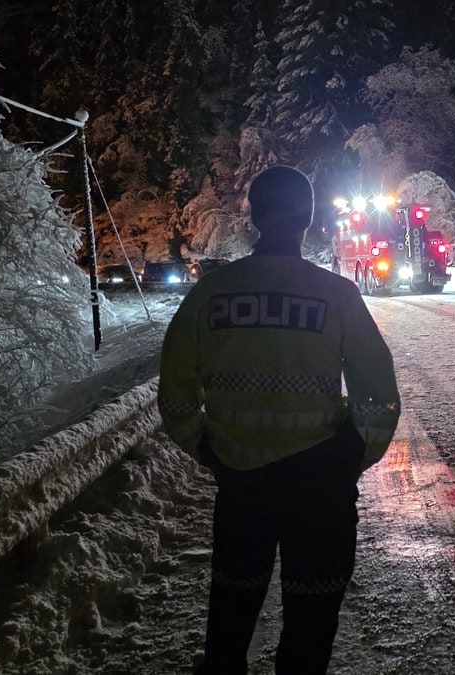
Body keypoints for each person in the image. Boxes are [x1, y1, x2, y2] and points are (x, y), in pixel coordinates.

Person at [157, 165, 401, 674]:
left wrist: (205, 447)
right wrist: (353, 453)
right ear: (307, 220)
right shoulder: (336, 295)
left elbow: (175, 392)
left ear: (254, 216)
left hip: (240, 485)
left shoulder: (211, 293)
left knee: (231, 615)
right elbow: (377, 394)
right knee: (311, 624)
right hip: (320, 490)